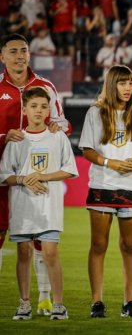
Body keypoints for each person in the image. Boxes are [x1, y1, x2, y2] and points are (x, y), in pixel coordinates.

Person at [0, 33, 71, 317]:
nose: (19, 56)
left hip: (37, 175)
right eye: (13, 51)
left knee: (41, 239)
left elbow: (63, 122)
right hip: (5, 173)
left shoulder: (46, 87)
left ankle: (44, 298)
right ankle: (29, 300)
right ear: (2, 56)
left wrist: (57, 127)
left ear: (30, 55)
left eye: (24, 51)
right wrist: (5, 136)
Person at [78, 65, 132, 318]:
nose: (127, 88)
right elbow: (87, 149)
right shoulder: (96, 112)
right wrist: (110, 163)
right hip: (103, 185)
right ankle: (97, 302)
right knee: (98, 244)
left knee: (129, 245)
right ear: (112, 84)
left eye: (131, 83)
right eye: (122, 83)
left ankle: (129, 302)